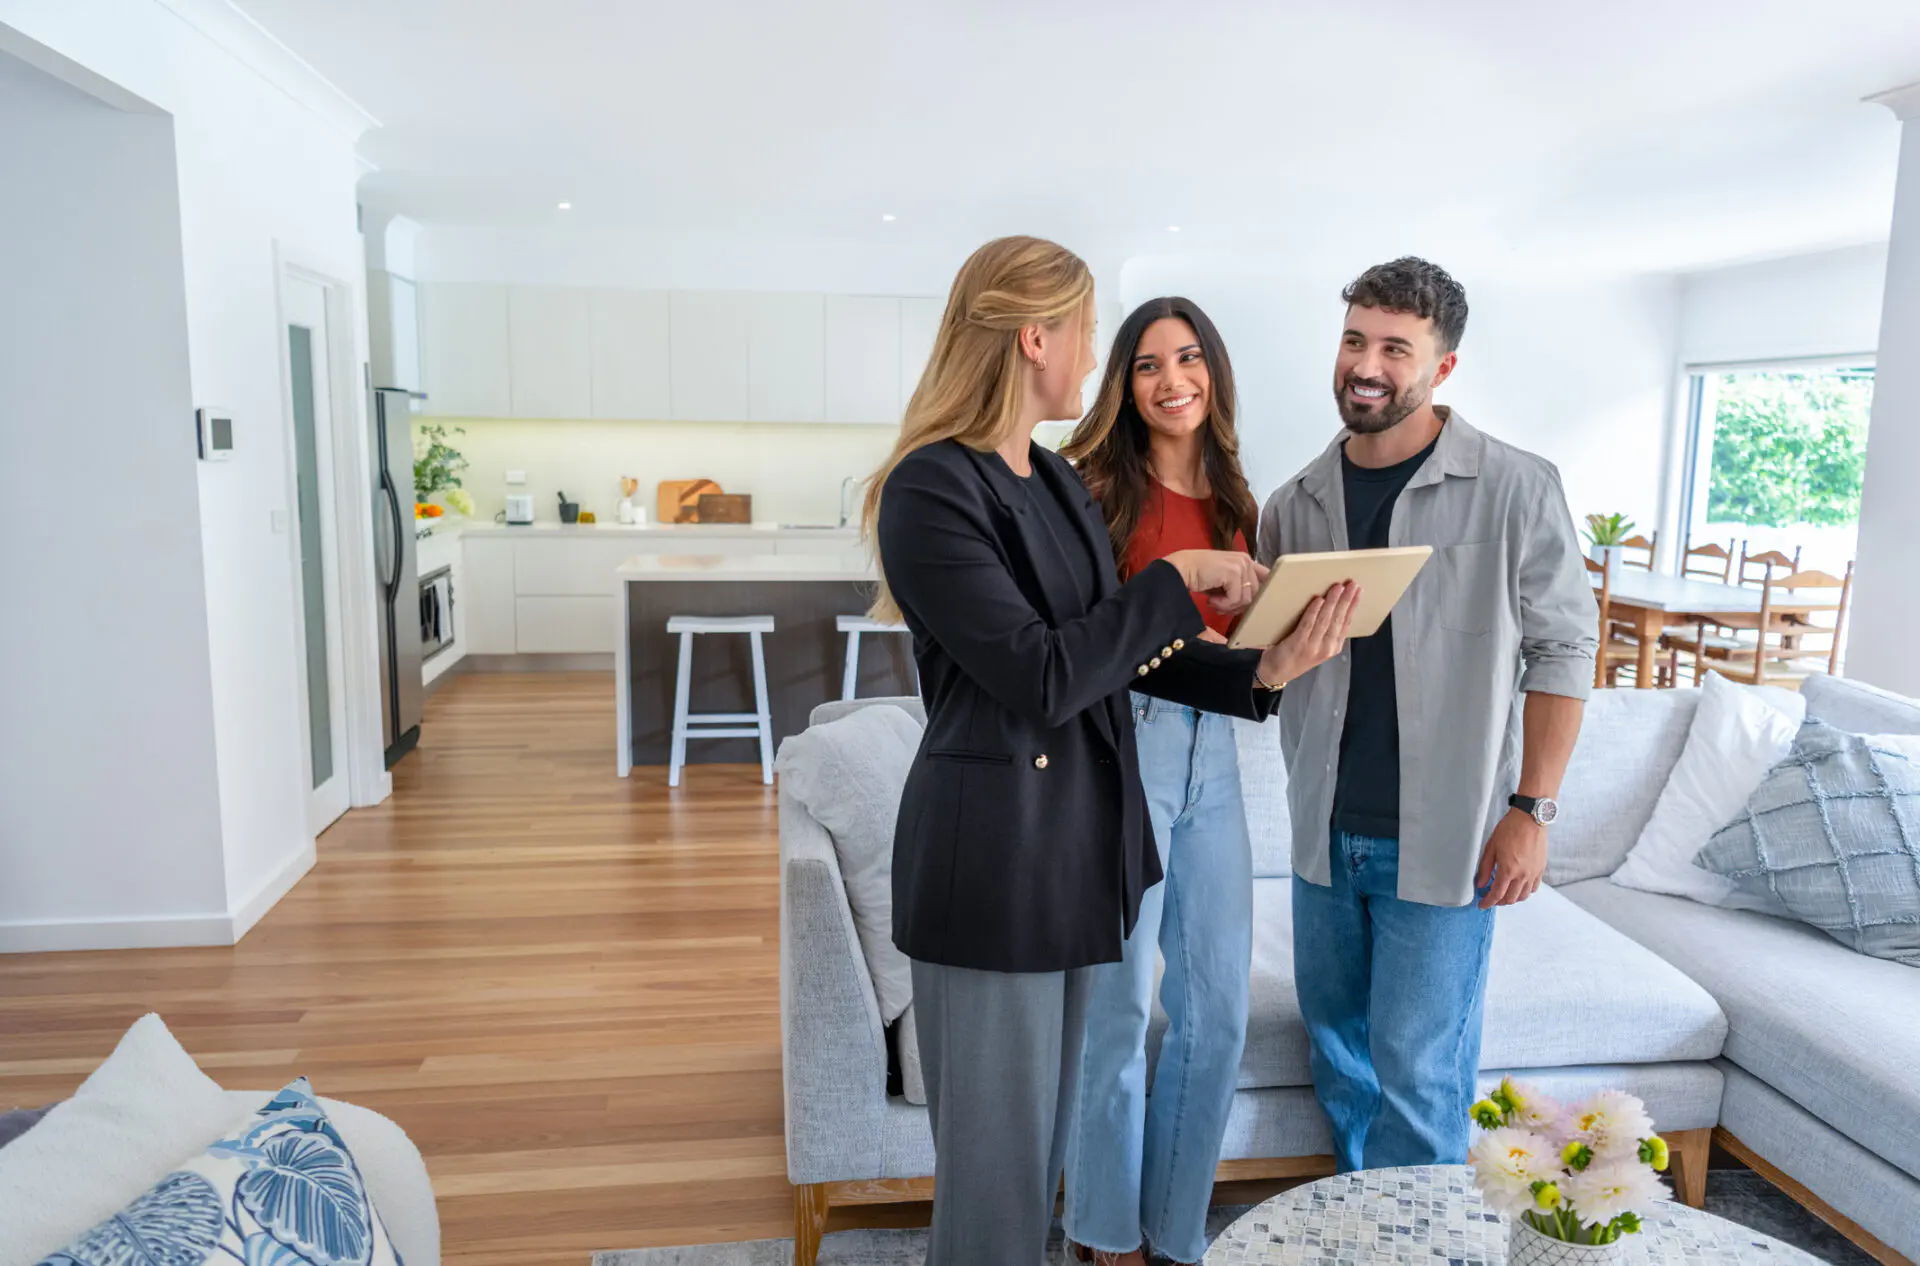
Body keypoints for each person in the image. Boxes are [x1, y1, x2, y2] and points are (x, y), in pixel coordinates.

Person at [867, 237, 1359, 1266]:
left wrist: (1260, 675)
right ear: (1034, 335)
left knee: (1043, 1161)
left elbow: (1121, 659)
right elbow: (1041, 674)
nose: (1095, 355)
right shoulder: (931, 489)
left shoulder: (1047, 480)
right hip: (995, 869)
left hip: (1081, 856)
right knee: (996, 1199)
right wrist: (1174, 574)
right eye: (1090, 331)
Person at [1255, 257, 1597, 1174]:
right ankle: (1365, 1229)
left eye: (1395, 349)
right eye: (1355, 340)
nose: (1366, 365)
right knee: (1339, 1060)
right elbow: (1265, 664)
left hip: (1444, 842)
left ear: (1441, 368)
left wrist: (1533, 811)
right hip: (1321, 839)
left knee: (1419, 1075)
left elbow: (1563, 652)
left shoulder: (1518, 487)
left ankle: (1424, 1241)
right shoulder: (1294, 504)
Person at [1056, 297, 1261, 1266]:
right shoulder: (1093, 489)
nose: (1172, 379)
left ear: (1212, 370)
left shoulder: (1237, 495)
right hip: (1124, 746)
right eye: (1147, 364)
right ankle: (1105, 1234)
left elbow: (1236, 642)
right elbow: (1098, 646)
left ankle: (1177, 1234)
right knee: (1121, 1007)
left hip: (1216, 747)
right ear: (1123, 385)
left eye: (1188, 359)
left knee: (1219, 1010)